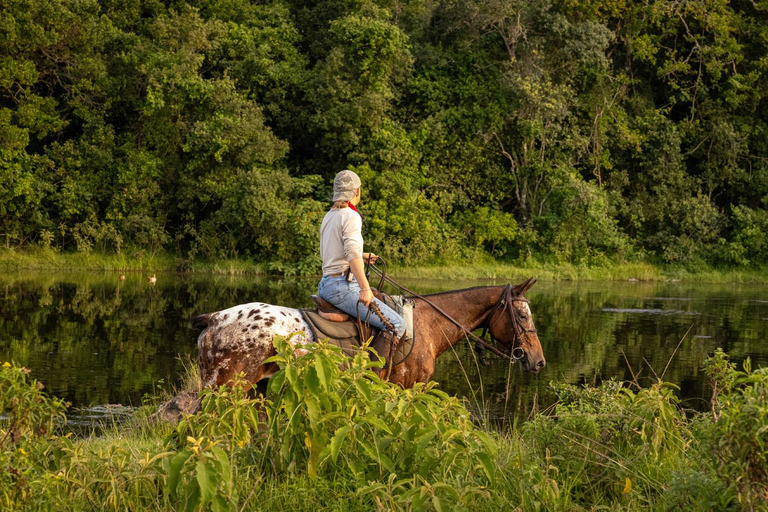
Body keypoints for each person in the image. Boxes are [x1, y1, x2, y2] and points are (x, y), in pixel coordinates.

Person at [317, 170, 406, 341]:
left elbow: (332, 251)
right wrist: (365, 289)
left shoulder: (329, 215)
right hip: (341, 287)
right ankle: (374, 368)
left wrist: (362, 255)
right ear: (357, 191)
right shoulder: (351, 216)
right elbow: (351, 255)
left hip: (325, 284)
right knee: (397, 325)